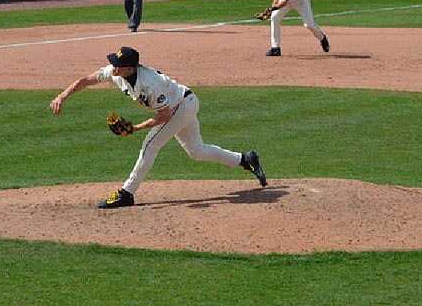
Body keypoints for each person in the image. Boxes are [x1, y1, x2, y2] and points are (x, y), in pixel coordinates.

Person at [49, 46, 268, 209]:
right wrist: (62, 96)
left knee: (150, 145)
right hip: (183, 102)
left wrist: (135, 128)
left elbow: (164, 115)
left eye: (117, 64)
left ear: (129, 68)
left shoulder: (149, 84)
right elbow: (86, 80)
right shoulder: (116, 73)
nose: (112, 66)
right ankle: (245, 159)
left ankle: (127, 193)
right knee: (196, 151)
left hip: (181, 107)